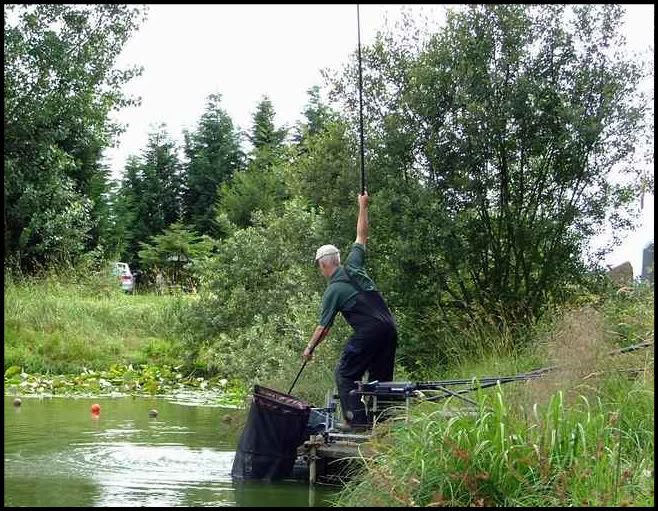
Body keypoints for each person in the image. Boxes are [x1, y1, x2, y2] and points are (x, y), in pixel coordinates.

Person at [302, 192, 397, 431]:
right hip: (389, 329)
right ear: (338, 259)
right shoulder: (354, 264)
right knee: (380, 381)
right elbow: (361, 235)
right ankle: (385, 425)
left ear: (324, 265)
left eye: (319, 267)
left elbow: (323, 328)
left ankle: (358, 423)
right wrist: (363, 206)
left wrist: (309, 349)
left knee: (345, 374)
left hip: (369, 333)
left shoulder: (333, 290)